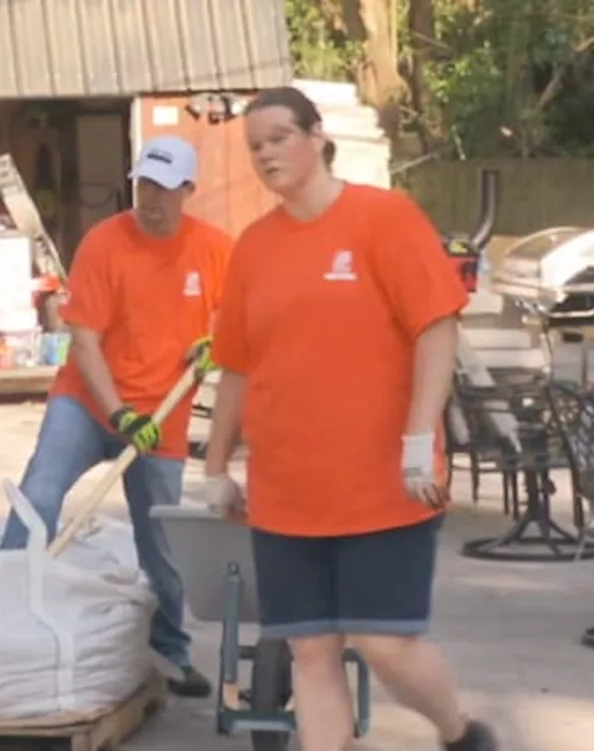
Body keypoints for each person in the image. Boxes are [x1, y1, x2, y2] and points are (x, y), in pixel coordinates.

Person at [202, 86, 497, 751]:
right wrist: (217, 465)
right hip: (286, 491)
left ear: (317, 137)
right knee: (311, 651)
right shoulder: (253, 247)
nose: (266, 153)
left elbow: (437, 325)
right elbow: (237, 368)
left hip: (383, 486)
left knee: (384, 642)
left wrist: (421, 434)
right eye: (255, 146)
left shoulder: (382, 220)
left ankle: (461, 733)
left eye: (279, 137)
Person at [0, 135, 231, 698]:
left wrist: (217, 342)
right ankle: (1, 624)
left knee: (163, 540)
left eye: (164, 189)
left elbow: (237, 315)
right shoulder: (105, 244)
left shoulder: (217, 249)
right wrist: (118, 413)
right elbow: (85, 341)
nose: (151, 199)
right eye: (144, 185)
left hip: (163, 416)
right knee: (40, 495)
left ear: (188, 192)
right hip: (87, 402)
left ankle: (171, 651)